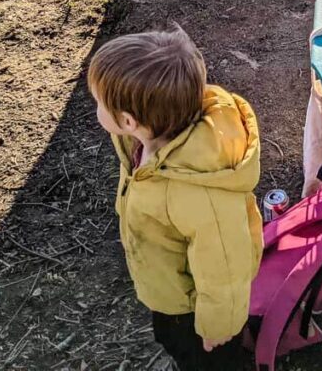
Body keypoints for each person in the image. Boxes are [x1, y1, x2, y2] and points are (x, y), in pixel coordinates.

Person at [88, 27, 262, 371]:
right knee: (170, 338)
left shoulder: (197, 190)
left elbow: (224, 266)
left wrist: (219, 326)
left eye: (98, 103)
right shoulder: (142, 143)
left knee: (203, 359)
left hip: (194, 311)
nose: (96, 109)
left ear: (127, 120)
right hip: (168, 284)